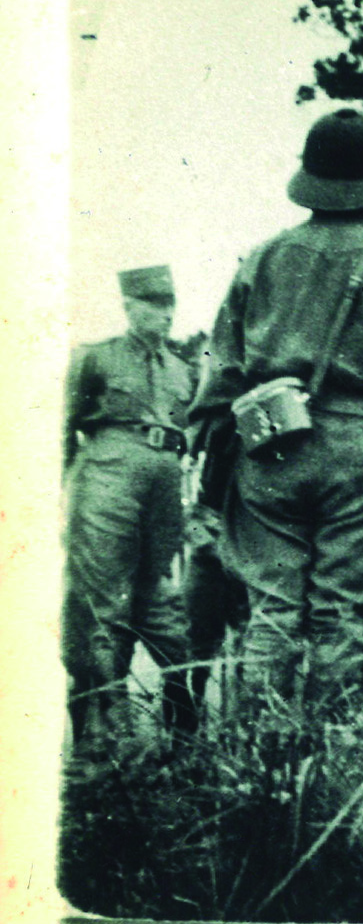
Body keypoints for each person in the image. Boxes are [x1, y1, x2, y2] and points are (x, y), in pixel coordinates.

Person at [189, 108, 363, 729]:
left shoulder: (259, 261)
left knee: (270, 613)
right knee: (346, 619)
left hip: (269, 452)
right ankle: (333, 773)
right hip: (362, 458)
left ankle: (256, 776)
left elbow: (218, 386)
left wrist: (215, 482)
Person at [63, 264, 197, 754]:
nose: (163, 315)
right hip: (107, 477)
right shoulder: (95, 360)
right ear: (128, 306)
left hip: (164, 490)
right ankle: (103, 730)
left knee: (161, 601)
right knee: (102, 602)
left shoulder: (184, 369)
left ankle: (180, 736)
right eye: (152, 305)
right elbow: (62, 428)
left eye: (169, 306)